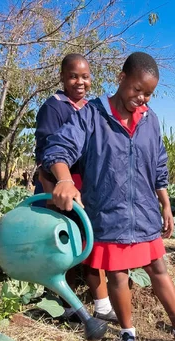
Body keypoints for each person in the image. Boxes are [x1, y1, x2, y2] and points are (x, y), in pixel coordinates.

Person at [43, 52, 175, 341]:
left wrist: (165, 204)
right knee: (118, 275)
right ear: (121, 78)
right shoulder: (92, 114)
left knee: (158, 268)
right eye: (137, 90)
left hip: (144, 210)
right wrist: (63, 179)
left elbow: (159, 164)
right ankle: (128, 334)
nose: (142, 99)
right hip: (109, 212)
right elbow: (59, 148)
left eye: (148, 94)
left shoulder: (150, 120)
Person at [34, 54, 117, 323]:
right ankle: (68, 305)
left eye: (85, 76)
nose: (79, 82)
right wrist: (53, 189)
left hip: (88, 186)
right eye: (73, 76)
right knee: (66, 246)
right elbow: (47, 152)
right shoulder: (54, 107)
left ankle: (101, 305)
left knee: (89, 242)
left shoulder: (92, 109)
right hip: (62, 185)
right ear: (62, 77)